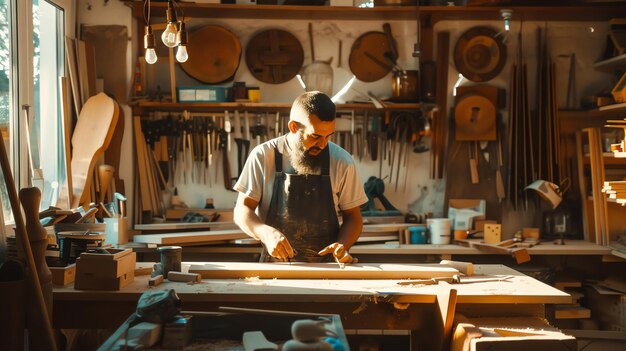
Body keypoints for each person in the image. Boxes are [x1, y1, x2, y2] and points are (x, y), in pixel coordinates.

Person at [233, 91, 367, 263]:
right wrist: (265, 233)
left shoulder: (342, 161)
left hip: (327, 270)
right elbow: (242, 210)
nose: (323, 144)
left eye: (328, 136)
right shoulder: (263, 156)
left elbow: (353, 217)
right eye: (315, 136)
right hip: (275, 268)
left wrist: (343, 246)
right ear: (294, 127)